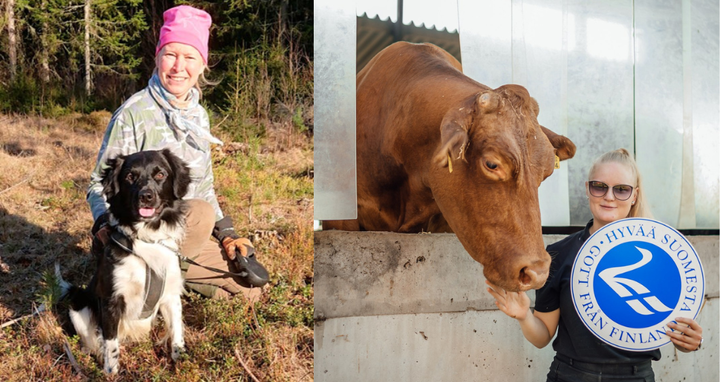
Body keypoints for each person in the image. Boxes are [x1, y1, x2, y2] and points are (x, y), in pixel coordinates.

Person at [87, 5, 262, 300]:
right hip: (137, 234)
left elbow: (204, 186)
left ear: (203, 65)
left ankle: (164, 281)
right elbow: (97, 184)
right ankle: (140, 281)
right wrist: (103, 225)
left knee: (248, 290)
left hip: (182, 232)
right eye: (171, 54)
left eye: (190, 57)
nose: (179, 67)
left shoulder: (199, 117)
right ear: (157, 58)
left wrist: (226, 234)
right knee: (199, 213)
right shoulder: (133, 114)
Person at [486, 148, 703, 381]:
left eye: (621, 190)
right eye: (600, 187)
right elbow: (542, 336)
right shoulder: (559, 253)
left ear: (634, 196)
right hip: (571, 376)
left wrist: (687, 341)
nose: (609, 197)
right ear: (588, 189)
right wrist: (524, 317)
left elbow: (669, 328)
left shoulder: (661, 254)